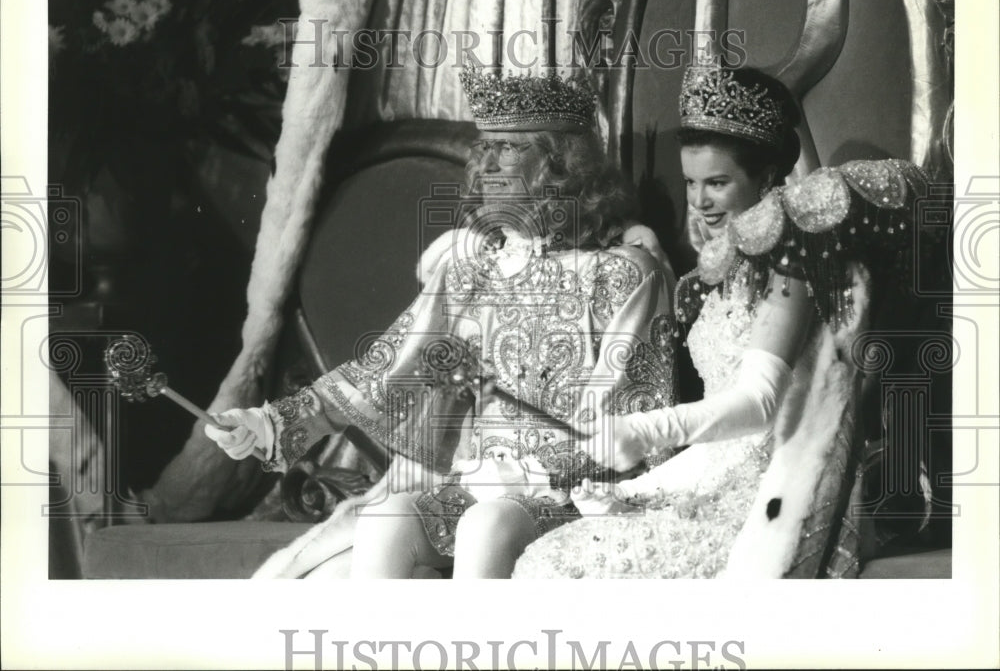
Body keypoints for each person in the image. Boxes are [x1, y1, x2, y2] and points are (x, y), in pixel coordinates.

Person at [206, 65, 678, 578]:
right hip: (482, 485)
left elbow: (629, 412)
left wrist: (536, 469)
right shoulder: (471, 269)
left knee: (486, 526)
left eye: (511, 148)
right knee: (386, 518)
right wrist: (274, 422)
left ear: (561, 164)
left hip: (582, 492)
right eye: (485, 148)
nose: (487, 165)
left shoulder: (624, 273)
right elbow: (384, 371)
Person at [513, 60, 927, 579]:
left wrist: (644, 429)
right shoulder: (725, 265)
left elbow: (759, 405)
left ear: (768, 176)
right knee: (546, 551)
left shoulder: (793, 261)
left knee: (551, 566)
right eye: (690, 182)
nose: (700, 200)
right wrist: (633, 486)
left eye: (718, 182)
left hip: (764, 494)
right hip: (708, 479)